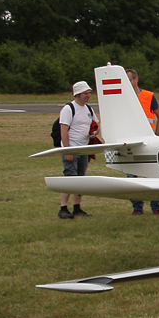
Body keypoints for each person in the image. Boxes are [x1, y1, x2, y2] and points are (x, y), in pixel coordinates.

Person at [57, 81, 98, 219]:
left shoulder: (88, 109)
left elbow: (95, 124)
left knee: (80, 179)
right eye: (86, 93)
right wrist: (67, 150)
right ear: (78, 94)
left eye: (89, 93)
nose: (88, 95)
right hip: (72, 149)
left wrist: (94, 133)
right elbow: (63, 131)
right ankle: (63, 208)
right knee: (70, 178)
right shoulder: (68, 109)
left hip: (84, 150)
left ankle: (77, 207)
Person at [126, 68, 159, 215]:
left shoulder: (148, 96)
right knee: (131, 176)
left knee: (152, 175)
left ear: (136, 80)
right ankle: (137, 207)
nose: (127, 84)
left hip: (148, 141)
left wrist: (157, 136)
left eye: (128, 80)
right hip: (130, 142)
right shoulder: (123, 98)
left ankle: (155, 207)